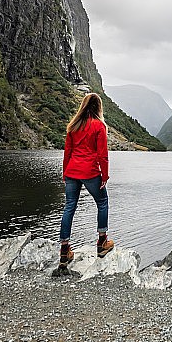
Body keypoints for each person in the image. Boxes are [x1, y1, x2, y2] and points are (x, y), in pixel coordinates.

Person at [58, 92, 115, 267]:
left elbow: (67, 152)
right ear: (98, 107)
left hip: (72, 171)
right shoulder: (99, 126)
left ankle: (64, 251)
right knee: (102, 202)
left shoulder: (73, 126)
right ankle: (101, 243)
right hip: (90, 172)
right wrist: (104, 175)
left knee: (69, 207)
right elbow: (102, 155)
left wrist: (64, 173)